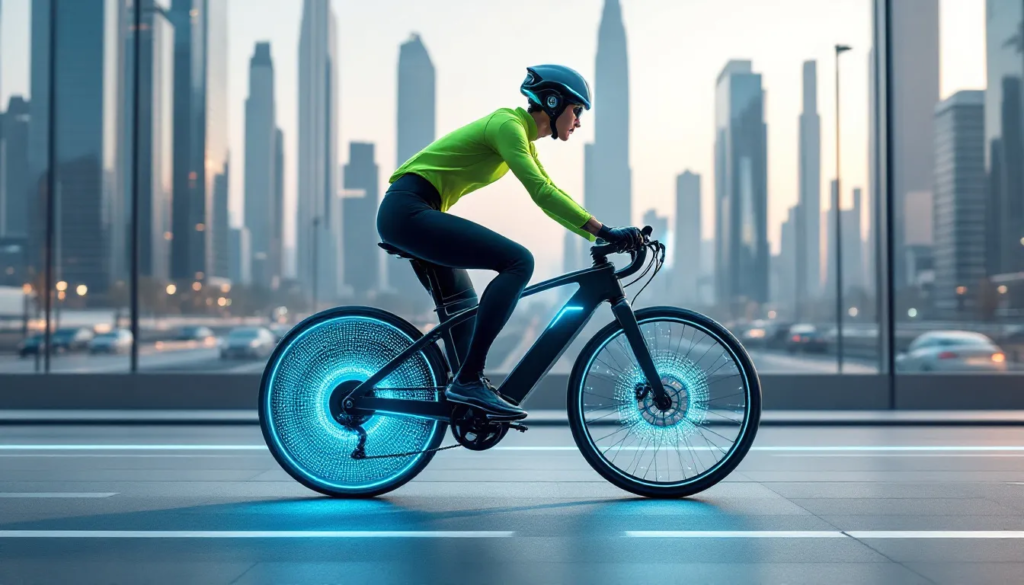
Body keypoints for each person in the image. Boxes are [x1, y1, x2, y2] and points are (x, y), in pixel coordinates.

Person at [377, 64, 642, 420]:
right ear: (552, 102)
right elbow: (542, 191)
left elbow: (551, 196)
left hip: (416, 212)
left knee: (464, 307)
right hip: (407, 211)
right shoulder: (508, 126)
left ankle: (466, 392)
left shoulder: (522, 138)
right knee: (519, 261)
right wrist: (604, 231)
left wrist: (597, 233)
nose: (578, 121)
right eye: (576, 111)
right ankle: (468, 381)